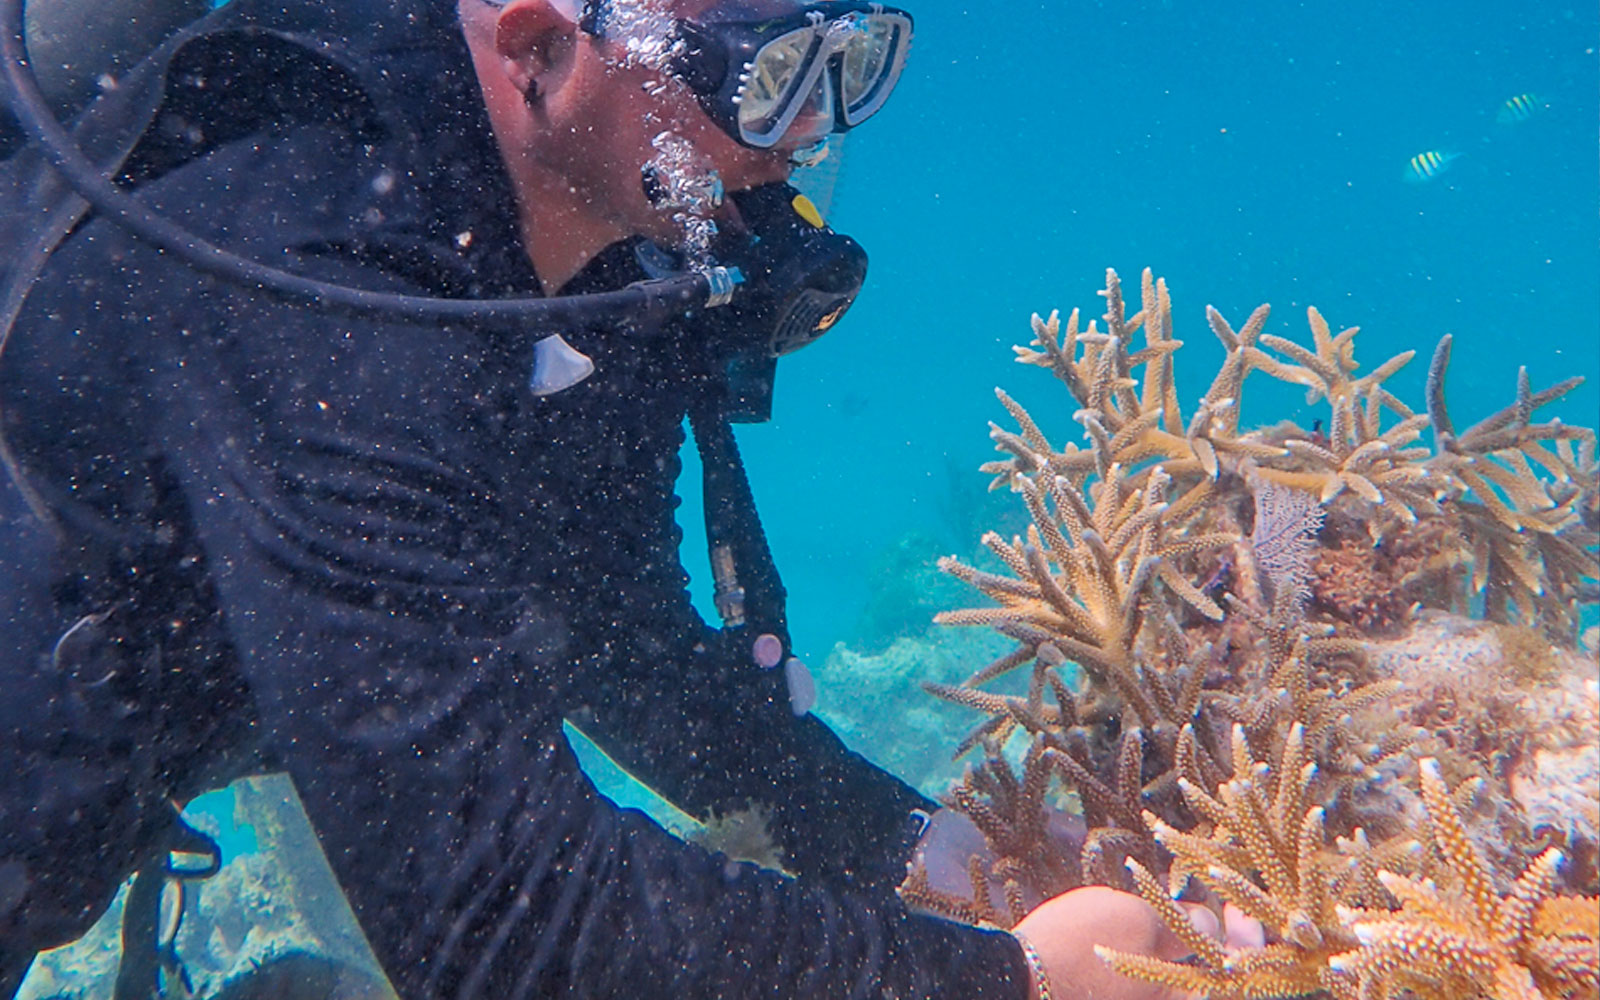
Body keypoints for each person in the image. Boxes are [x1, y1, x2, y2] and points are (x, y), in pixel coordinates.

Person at [0, 0, 1241, 995]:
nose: (801, 139)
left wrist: (907, 844)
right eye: (760, 74)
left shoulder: (595, 252)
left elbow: (612, 639)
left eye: (850, 64)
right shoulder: (310, 271)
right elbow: (504, 928)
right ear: (542, 47)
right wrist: (1013, 981)